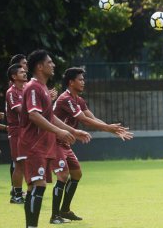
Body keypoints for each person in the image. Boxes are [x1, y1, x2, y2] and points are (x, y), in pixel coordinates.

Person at [50, 67, 133, 224]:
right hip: (53, 141)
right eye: (80, 79)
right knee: (62, 175)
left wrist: (113, 130)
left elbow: (92, 118)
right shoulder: (65, 98)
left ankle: (65, 211)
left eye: (83, 79)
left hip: (65, 143)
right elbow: (85, 120)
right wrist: (109, 128)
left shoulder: (79, 100)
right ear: (70, 82)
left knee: (76, 174)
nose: (83, 82)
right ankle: (54, 216)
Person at [19, 49, 91, 228]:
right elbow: (34, 115)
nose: (53, 65)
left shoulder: (43, 88)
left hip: (43, 145)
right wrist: (59, 132)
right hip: (33, 145)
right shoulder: (34, 87)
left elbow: (50, 117)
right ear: (40, 66)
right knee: (38, 185)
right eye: (50, 62)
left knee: (35, 187)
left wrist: (73, 132)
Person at [5, 63, 27, 204]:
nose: (25, 73)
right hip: (17, 132)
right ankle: (16, 195)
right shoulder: (11, 92)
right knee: (19, 164)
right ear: (14, 76)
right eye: (21, 72)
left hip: (26, 131)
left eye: (25, 71)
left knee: (25, 163)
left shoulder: (25, 89)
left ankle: (22, 193)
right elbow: (21, 111)